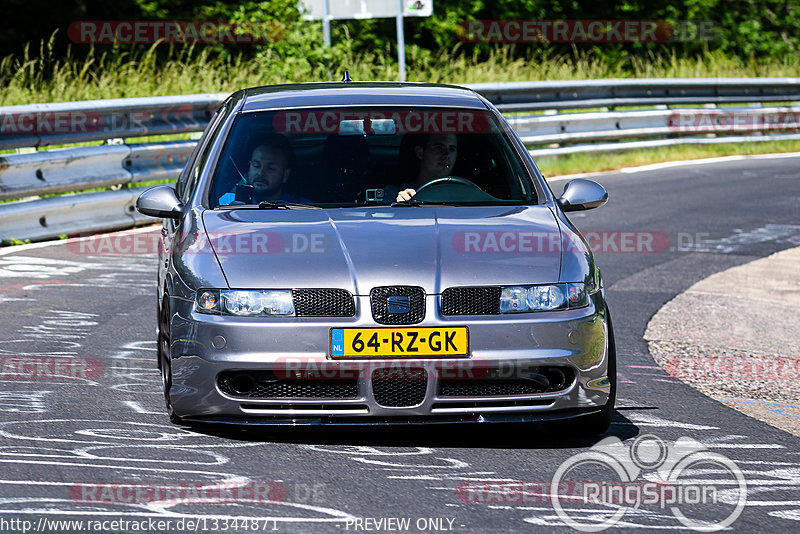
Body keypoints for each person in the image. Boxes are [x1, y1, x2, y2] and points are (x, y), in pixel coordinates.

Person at [218, 135, 310, 205]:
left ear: (285, 175)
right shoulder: (227, 202)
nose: (261, 173)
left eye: (270, 168)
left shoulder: (302, 207)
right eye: (256, 165)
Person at [395, 132, 458, 202]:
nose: (447, 155)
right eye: (439, 148)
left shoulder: (464, 195)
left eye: (452, 149)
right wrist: (400, 205)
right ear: (420, 153)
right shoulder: (393, 193)